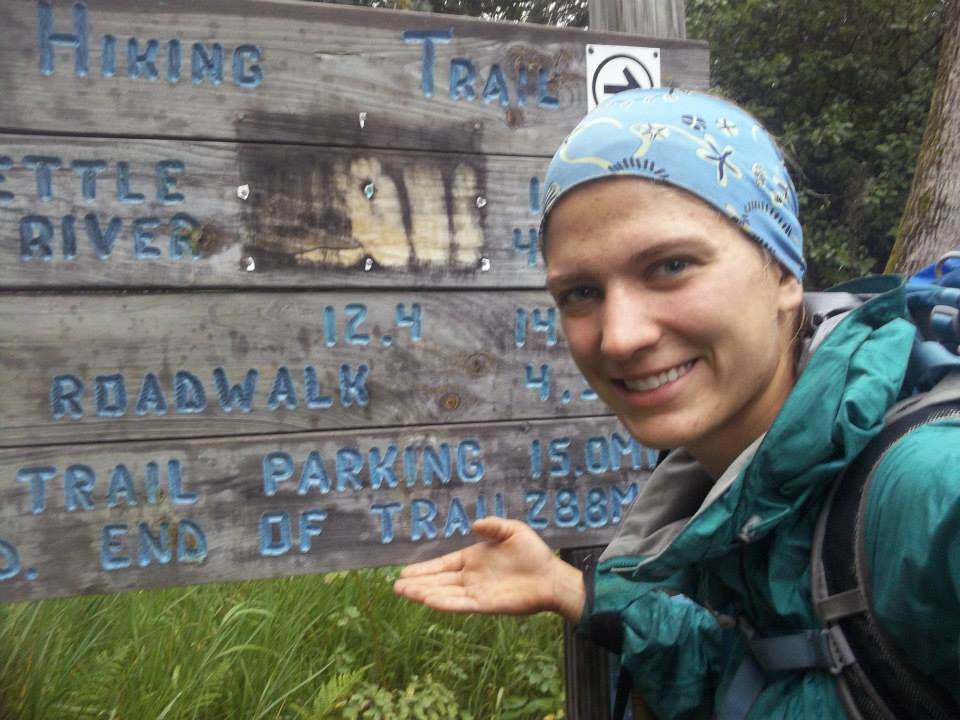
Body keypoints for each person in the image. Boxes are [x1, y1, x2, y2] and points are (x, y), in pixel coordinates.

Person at [393, 88, 960, 719]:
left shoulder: (925, 498)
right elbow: (768, 667)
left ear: (783, 274)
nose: (620, 335)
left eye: (670, 266)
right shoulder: (743, 492)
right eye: (581, 292)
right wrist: (570, 589)